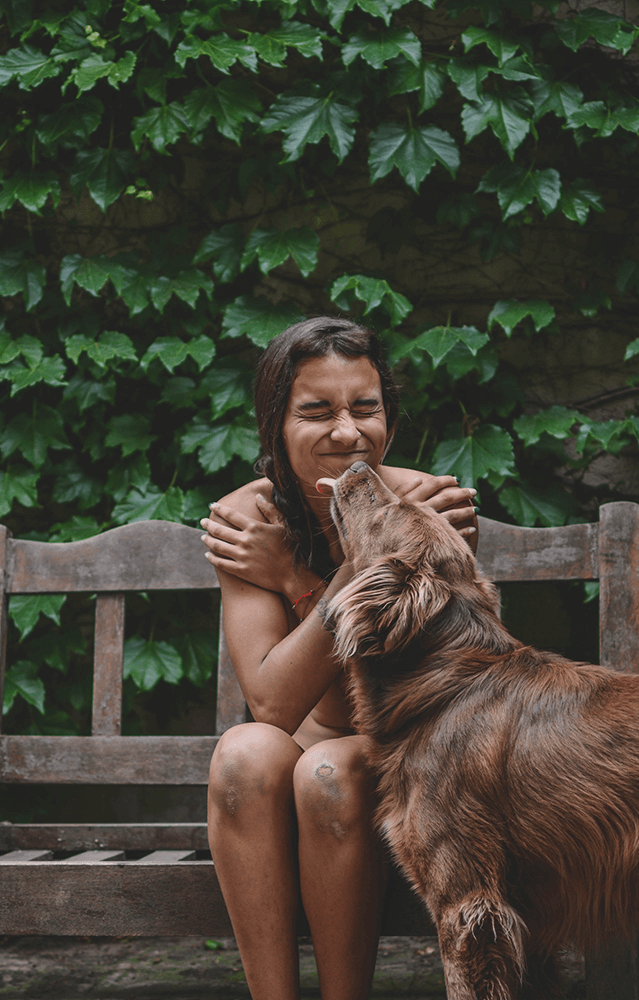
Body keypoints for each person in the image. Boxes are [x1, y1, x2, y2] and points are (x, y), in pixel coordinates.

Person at [199, 316, 479, 1000]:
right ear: (275, 424)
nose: (348, 433)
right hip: (306, 748)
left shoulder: (424, 507)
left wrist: (301, 581)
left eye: (366, 408)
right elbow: (276, 702)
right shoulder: (249, 521)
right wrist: (351, 571)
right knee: (246, 751)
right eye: (317, 411)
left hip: (414, 749)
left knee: (328, 767)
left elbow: (371, 700)